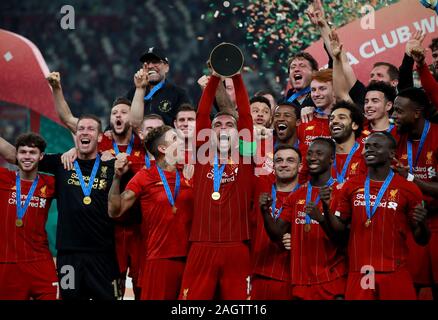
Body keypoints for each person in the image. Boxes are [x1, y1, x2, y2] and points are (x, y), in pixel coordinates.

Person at [179, 70, 255, 300]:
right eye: (217, 125)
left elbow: (246, 115)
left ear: (238, 133)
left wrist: (238, 77)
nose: (222, 128)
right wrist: (213, 78)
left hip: (237, 246)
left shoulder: (246, 156)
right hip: (201, 245)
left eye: (228, 125)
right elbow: (202, 114)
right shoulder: (203, 155)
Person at [328, 131, 430, 300]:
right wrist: (325, 210)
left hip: (394, 271)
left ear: (391, 153)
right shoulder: (351, 185)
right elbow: (339, 228)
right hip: (362, 270)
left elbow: (422, 239)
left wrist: (422, 223)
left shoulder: (409, 189)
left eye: (376, 146)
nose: (369, 150)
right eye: (367, 146)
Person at [108, 126, 193, 300]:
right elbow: (115, 210)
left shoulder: (188, 172)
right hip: (159, 259)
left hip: (191, 258)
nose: (181, 141)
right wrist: (116, 178)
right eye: (175, 138)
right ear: (163, 149)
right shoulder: (145, 176)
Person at [40, 116, 120, 300]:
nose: (84, 132)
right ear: (75, 136)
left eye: (90, 129)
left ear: (100, 137)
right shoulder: (62, 162)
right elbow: (17, 156)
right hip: (69, 255)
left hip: (103, 255)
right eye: (80, 129)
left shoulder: (112, 165)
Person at [260, 138, 347, 299]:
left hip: (331, 279)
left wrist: (321, 218)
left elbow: (342, 239)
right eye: (310, 153)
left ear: (331, 158)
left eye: (319, 153)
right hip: (300, 281)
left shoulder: (341, 192)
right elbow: (276, 234)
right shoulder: (297, 195)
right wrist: (265, 211)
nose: (313, 157)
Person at [392, 87, 438, 299]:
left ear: (417, 113)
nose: (393, 116)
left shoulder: (437, 136)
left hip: (436, 222)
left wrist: (409, 178)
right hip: (409, 225)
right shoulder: (395, 137)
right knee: (413, 288)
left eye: (399, 111)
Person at [0, 133, 58, 300]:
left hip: (40, 261)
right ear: (16, 156)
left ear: (41, 156)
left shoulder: (51, 183)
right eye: (22, 152)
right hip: (7, 263)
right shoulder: (3, 178)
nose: (27, 156)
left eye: (32, 152)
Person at [250, 145, 301, 300]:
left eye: (290, 160)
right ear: (273, 166)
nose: (284, 164)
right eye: (279, 160)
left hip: (291, 277)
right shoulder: (260, 187)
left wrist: (298, 239)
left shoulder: (307, 194)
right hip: (258, 273)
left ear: (301, 166)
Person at [126, 47, 190, 126]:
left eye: (155, 62)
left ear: (166, 67)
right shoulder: (133, 93)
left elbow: (188, 122)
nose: (150, 66)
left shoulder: (178, 94)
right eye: (147, 63)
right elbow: (121, 117)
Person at [297, 69, 334, 155]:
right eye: (313, 90)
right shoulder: (304, 119)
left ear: (335, 90)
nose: (316, 94)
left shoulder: (346, 121)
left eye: (322, 88)